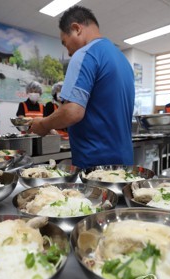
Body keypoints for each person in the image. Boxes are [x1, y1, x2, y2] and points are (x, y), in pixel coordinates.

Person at [29, 6, 134, 168]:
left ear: (76, 29)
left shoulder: (85, 54)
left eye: (65, 43)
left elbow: (72, 112)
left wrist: (43, 125)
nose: (69, 52)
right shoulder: (122, 60)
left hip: (96, 164)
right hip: (124, 160)